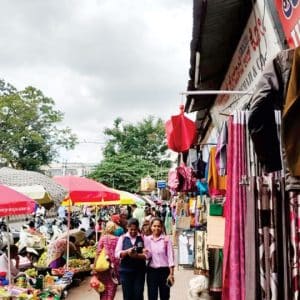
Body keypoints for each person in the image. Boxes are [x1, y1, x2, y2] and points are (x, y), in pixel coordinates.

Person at [115, 218, 147, 300]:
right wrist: (126, 252)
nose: (133, 231)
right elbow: (117, 254)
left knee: (138, 294)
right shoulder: (122, 238)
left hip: (139, 272)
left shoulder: (142, 238)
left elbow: (147, 255)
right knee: (127, 295)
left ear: (138, 228)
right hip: (125, 272)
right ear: (127, 228)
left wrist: (137, 255)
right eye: (131, 229)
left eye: (135, 229)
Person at [144, 218, 175, 300]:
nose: (156, 228)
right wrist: (145, 252)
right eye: (154, 226)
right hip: (152, 272)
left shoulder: (166, 240)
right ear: (151, 227)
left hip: (164, 272)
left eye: (159, 226)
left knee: (165, 296)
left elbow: (170, 257)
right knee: (152, 296)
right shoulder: (147, 239)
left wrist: (171, 274)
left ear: (162, 227)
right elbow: (147, 256)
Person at [94, 221, 120, 300]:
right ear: (114, 229)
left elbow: (98, 253)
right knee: (112, 288)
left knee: (103, 288)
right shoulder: (118, 239)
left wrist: (94, 267)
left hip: (103, 267)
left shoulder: (103, 238)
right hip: (114, 268)